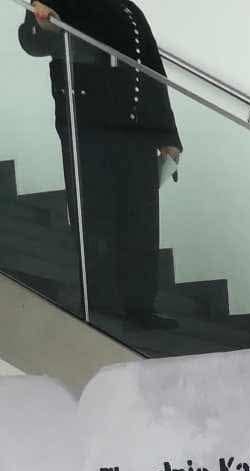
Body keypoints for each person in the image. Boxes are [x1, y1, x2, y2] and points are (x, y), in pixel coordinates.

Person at [17, 0, 181, 330]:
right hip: (88, 124)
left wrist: (168, 135)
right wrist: (43, 26)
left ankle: (140, 306)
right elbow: (33, 41)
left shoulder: (130, 9)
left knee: (141, 219)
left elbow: (152, 71)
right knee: (96, 216)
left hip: (138, 127)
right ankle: (101, 307)